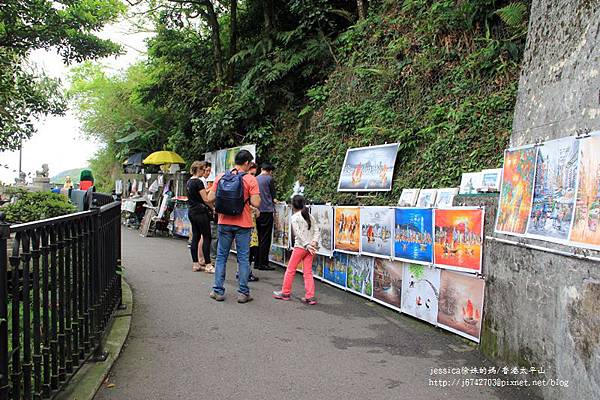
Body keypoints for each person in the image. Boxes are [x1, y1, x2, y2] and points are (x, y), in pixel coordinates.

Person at [207, 150, 261, 303]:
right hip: (243, 224)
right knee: (243, 258)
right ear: (246, 163)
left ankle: (217, 290)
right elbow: (256, 203)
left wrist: (218, 206)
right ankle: (243, 293)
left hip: (224, 222)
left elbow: (210, 197)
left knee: (221, 257)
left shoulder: (221, 177)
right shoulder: (250, 179)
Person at [273, 195, 320, 305]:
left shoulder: (294, 217)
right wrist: (313, 242)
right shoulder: (309, 216)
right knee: (307, 272)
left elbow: (298, 233)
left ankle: (285, 292)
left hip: (300, 247)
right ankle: (310, 296)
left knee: (290, 269)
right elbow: (317, 230)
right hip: (310, 249)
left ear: (293, 205)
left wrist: (307, 244)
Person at [186, 161, 214, 273]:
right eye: (203, 169)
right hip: (201, 212)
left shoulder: (189, 182)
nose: (204, 171)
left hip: (192, 211)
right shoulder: (198, 182)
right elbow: (206, 199)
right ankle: (208, 264)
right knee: (207, 237)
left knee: (196, 237)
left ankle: (195, 264)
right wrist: (213, 207)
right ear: (198, 170)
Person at [256, 162, 277, 271]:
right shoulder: (269, 179)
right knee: (265, 238)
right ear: (270, 171)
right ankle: (263, 263)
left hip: (257, 211)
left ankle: (256, 261)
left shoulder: (255, 179)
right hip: (267, 211)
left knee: (258, 236)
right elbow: (273, 198)